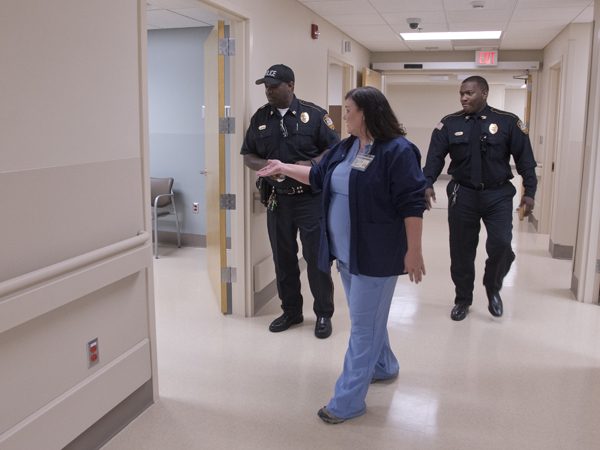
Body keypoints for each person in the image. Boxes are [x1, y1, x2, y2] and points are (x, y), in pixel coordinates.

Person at [257, 86, 427, 424]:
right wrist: (284, 167)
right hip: (348, 255)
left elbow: (413, 203)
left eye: (348, 109)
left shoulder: (398, 151)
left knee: (363, 328)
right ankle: (384, 366)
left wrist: (414, 251)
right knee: (370, 318)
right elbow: (318, 176)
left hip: (376, 256)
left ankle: (347, 402)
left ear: (366, 112)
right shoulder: (347, 147)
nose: (343, 115)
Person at [423, 76, 537, 321]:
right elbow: (434, 157)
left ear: (484, 94)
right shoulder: (450, 123)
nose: (464, 97)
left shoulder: (507, 122)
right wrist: (427, 183)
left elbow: (525, 160)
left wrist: (530, 192)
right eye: (462, 93)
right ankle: (463, 299)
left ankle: (493, 286)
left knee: (502, 244)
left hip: (498, 194)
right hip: (462, 194)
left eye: (470, 93)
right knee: (461, 251)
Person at [241, 64, 339, 339]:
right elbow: (248, 155)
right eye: (266, 86)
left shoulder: (315, 115)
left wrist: (308, 165)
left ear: (291, 85)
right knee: (283, 259)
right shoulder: (260, 118)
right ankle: (291, 311)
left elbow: (333, 149)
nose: (269, 91)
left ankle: (323, 314)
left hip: (310, 200)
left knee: (316, 259)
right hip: (277, 201)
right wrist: (270, 166)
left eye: (274, 86)